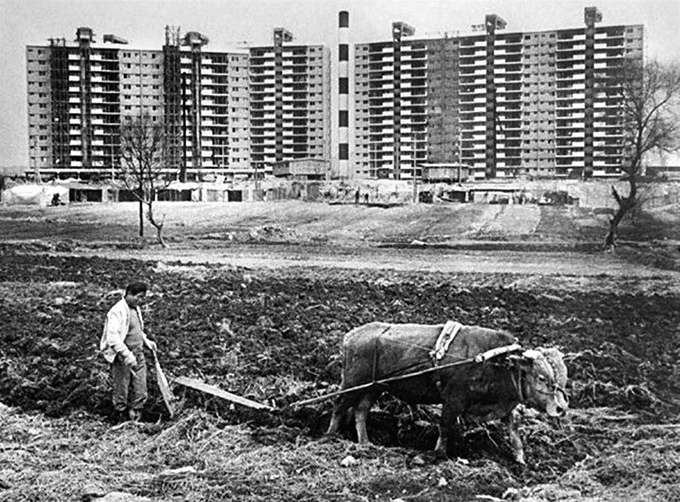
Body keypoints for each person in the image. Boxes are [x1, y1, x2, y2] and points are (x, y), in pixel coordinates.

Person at [100, 282, 157, 423]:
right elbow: (112, 338)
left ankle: (136, 413)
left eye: (143, 297)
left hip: (138, 353)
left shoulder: (135, 309)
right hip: (123, 356)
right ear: (129, 294)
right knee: (122, 387)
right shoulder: (117, 311)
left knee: (141, 387)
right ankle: (120, 415)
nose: (142, 300)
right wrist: (126, 354)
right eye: (139, 297)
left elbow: (136, 330)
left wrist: (146, 341)